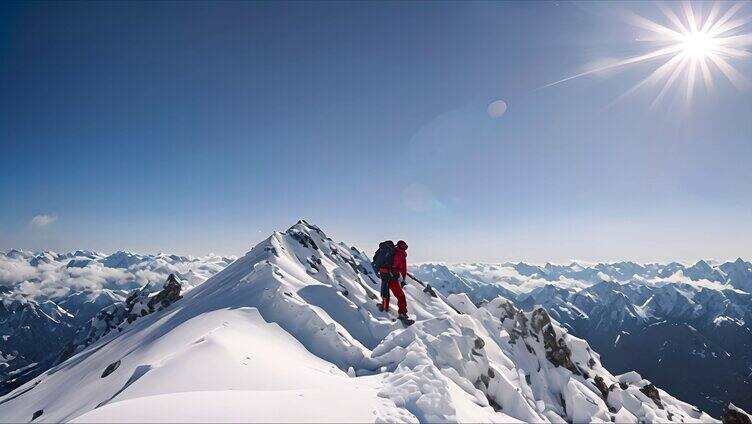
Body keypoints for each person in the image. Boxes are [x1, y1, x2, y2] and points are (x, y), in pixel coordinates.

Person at [379, 240, 409, 319]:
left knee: (385, 291)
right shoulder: (401, 254)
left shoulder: (391, 251)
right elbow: (403, 269)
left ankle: (385, 306)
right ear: (404, 247)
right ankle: (402, 313)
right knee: (400, 296)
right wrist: (403, 279)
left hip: (383, 273)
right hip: (392, 276)